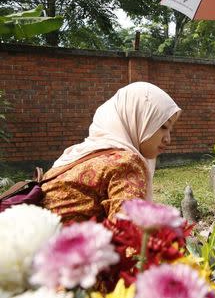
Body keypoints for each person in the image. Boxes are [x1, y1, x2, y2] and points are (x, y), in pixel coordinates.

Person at [41, 82, 181, 223]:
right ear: (137, 119)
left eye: (170, 130)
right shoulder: (125, 163)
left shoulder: (73, 156)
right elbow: (129, 234)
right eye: (163, 126)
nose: (168, 139)